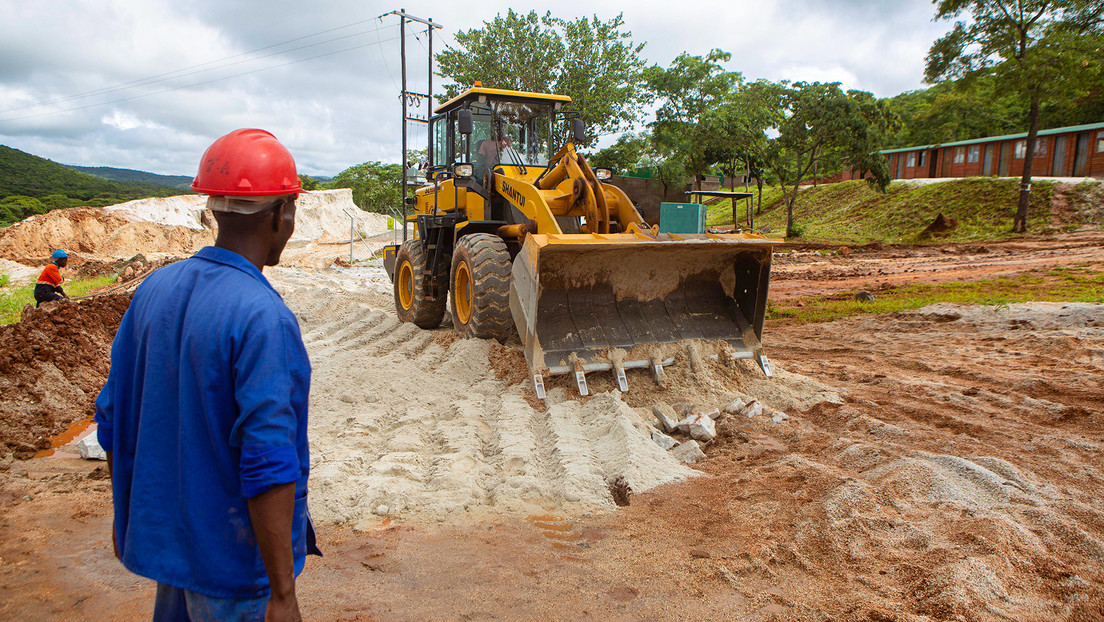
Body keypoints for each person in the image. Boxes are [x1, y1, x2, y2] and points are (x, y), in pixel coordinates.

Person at [95, 128, 319, 622]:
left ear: (214, 209)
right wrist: (282, 594)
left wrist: (124, 518)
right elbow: (268, 460)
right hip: (233, 569)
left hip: (173, 557)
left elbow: (110, 420)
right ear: (283, 214)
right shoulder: (264, 317)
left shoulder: (154, 291)